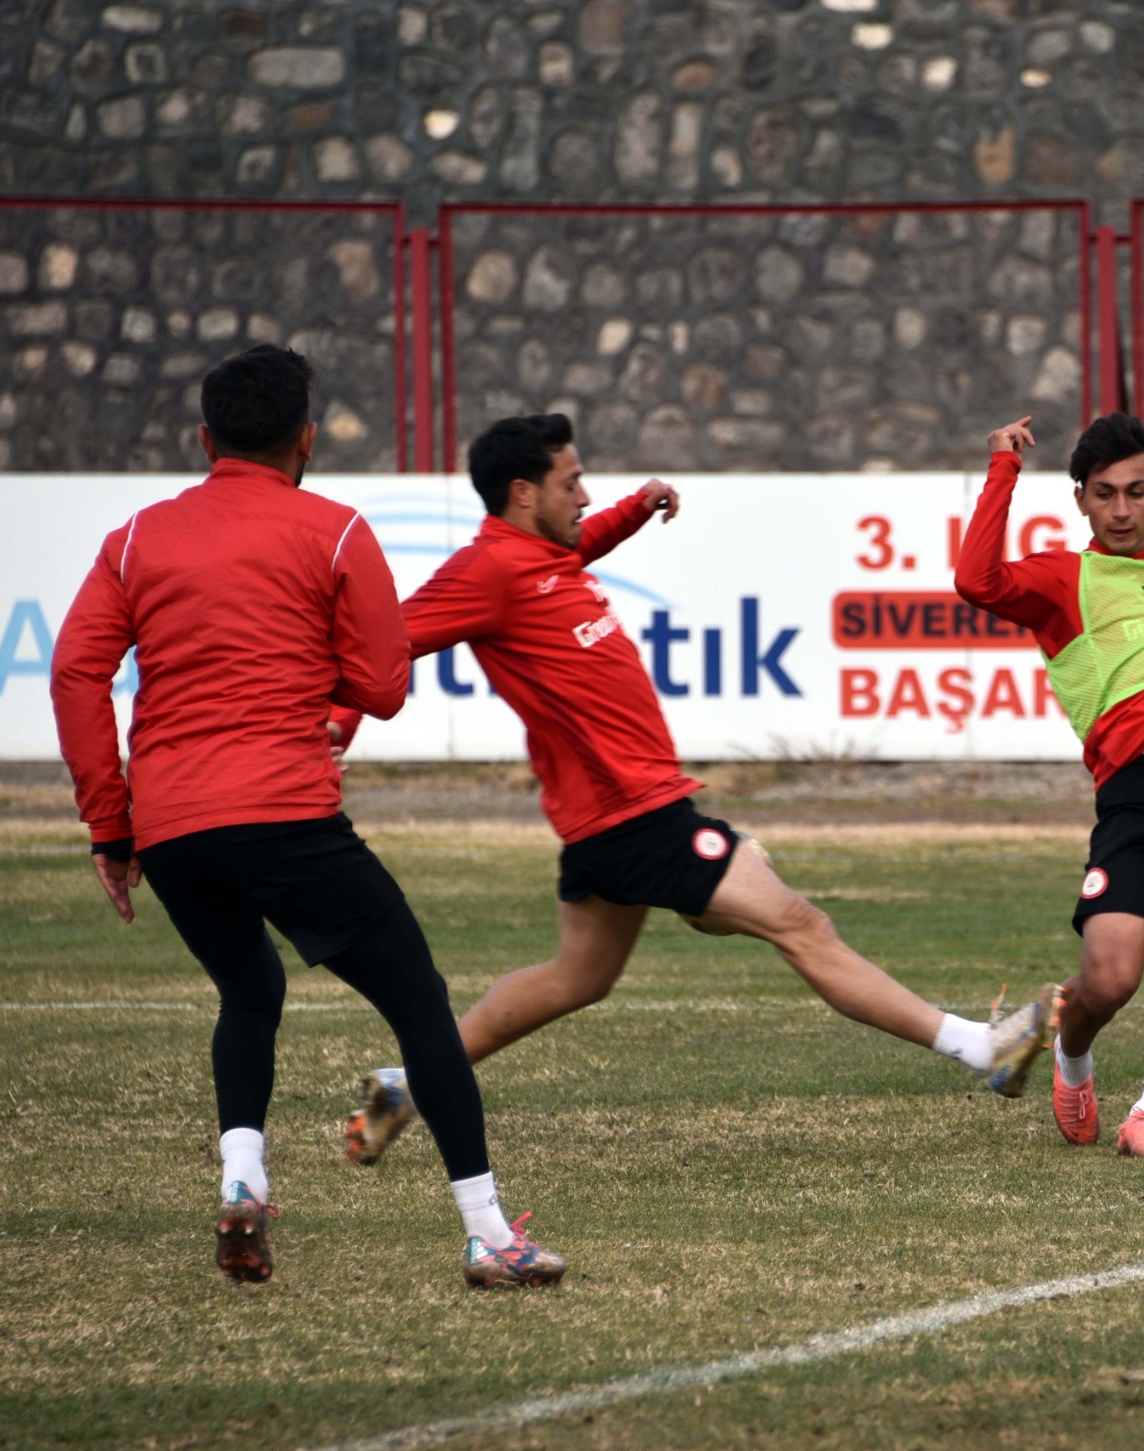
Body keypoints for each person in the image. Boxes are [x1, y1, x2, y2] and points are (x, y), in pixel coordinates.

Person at [330, 412, 1056, 1161]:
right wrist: (333, 727)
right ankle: (982, 1049)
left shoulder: (544, 551)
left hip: (612, 819)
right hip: (633, 819)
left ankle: (409, 1086)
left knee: (576, 977)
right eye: (571, 482)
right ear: (522, 493)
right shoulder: (487, 571)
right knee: (801, 926)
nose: (583, 495)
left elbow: (582, 540)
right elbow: (385, 642)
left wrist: (636, 510)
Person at [51, 345, 561, 1290]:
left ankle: (243, 1178)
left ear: (206, 440)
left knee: (249, 992)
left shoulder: (133, 539)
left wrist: (109, 826)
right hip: (284, 812)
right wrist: (300, 665)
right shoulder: (333, 531)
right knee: (420, 1006)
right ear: (308, 440)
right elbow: (382, 684)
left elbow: (77, 671)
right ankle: (489, 1233)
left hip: (171, 828)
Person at [954, 413, 1144, 1159]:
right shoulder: (1068, 578)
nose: (1122, 510)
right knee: (1111, 978)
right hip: (1138, 795)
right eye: (1104, 495)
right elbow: (976, 580)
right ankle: (1066, 1055)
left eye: (1135, 492)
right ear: (1082, 503)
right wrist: (1002, 469)